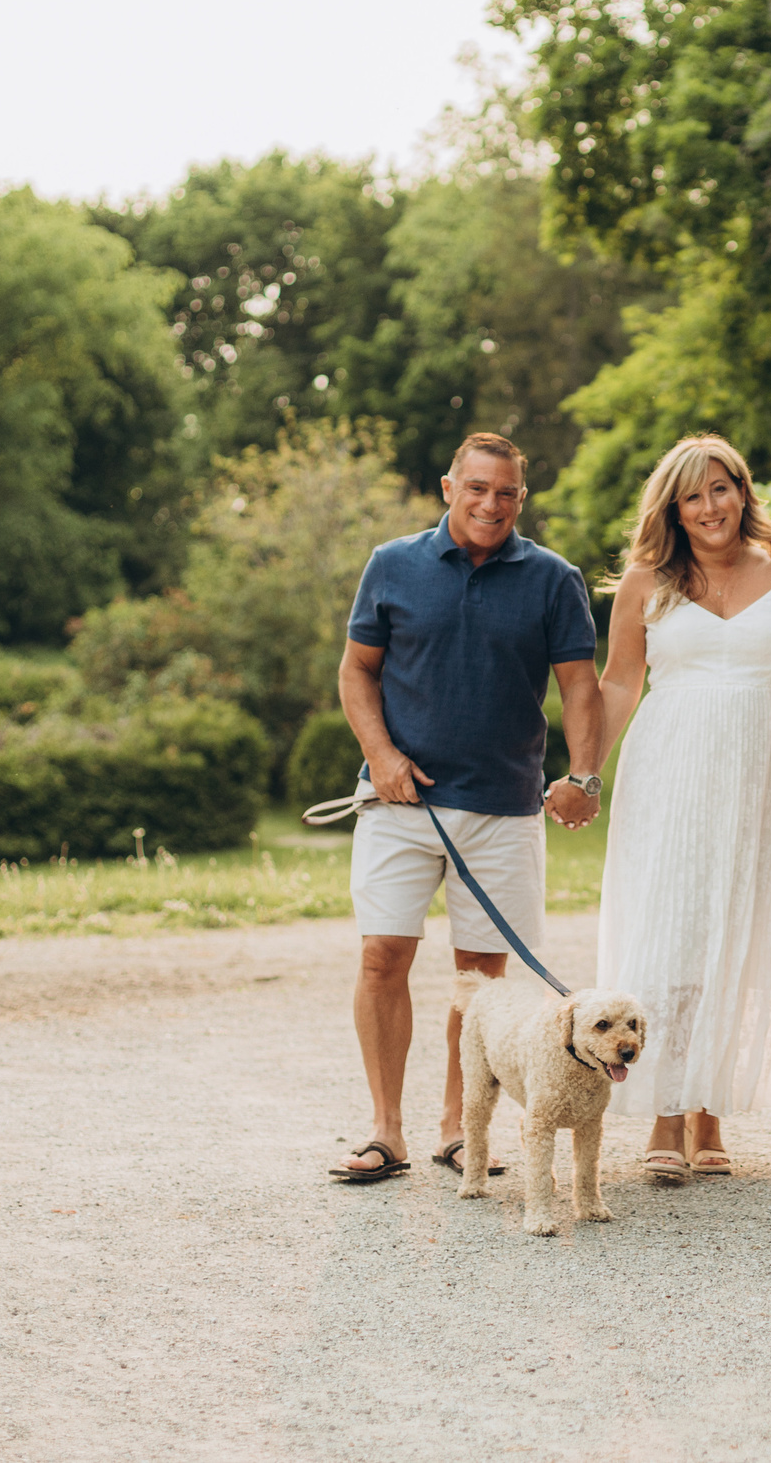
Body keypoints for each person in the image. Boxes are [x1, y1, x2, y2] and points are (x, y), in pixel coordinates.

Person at [327, 434, 605, 1184]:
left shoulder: (553, 577)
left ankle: (461, 1129)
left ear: (521, 498)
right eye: (477, 487)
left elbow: (581, 685)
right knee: (383, 956)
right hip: (398, 800)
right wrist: (381, 756)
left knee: (479, 979)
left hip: (503, 807)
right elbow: (357, 669)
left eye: (506, 492)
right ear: (448, 486)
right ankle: (387, 1130)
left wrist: (584, 775)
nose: (491, 503)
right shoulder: (393, 564)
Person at [593, 434, 771, 1179]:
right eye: (693, 495)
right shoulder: (648, 581)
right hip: (668, 773)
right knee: (670, 935)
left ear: (743, 491)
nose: (710, 507)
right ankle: (665, 1118)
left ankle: (712, 1114)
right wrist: (586, 772)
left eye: (721, 489)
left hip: (754, 779)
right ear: (674, 507)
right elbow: (618, 684)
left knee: (734, 934)